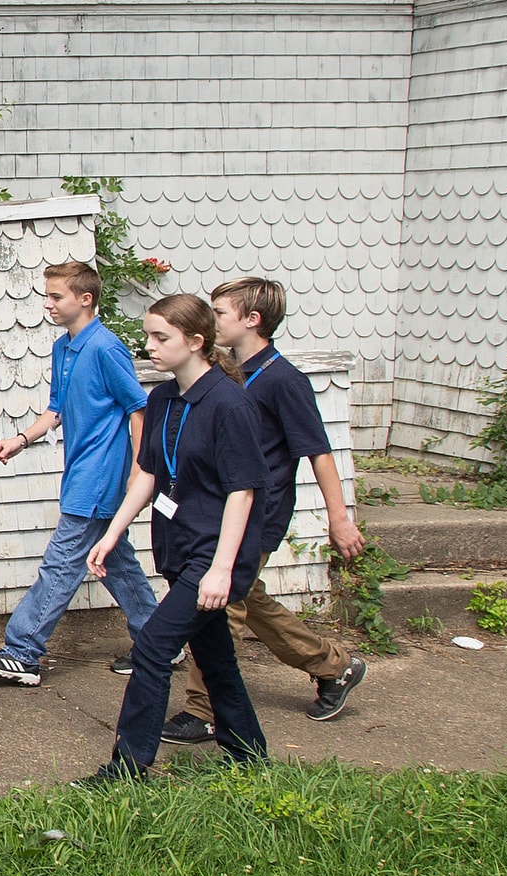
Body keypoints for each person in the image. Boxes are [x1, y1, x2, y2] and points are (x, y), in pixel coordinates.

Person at [158, 277, 371, 744]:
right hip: (218, 513)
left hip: (260, 513)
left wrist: (338, 517)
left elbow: (318, 451)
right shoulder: (228, 373)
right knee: (247, 598)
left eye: (219, 314)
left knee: (222, 606)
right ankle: (334, 666)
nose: (211, 321)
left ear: (252, 321)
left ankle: (204, 709)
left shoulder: (283, 380)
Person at [86, 292, 271, 780]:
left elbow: (242, 493)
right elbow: (148, 474)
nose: (149, 346)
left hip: (214, 555)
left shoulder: (230, 404)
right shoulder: (163, 398)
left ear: (196, 341)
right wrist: (112, 534)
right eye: (147, 335)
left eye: (160, 337)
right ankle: (249, 753)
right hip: (180, 546)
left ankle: (128, 769)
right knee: (215, 656)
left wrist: (222, 570)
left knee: (152, 647)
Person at [0, 261, 161, 685]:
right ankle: (159, 642)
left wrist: (137, 472)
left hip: (101, 474)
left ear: (85, 299)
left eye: (57, 296)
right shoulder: (63, 347)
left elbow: (138, 410)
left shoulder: (106, 348)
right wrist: (21, 439)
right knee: (116, 560)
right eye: (49, 295)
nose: (48, 303)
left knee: (62, 561)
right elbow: (55, 410)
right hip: (79, 470)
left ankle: (23, 652)